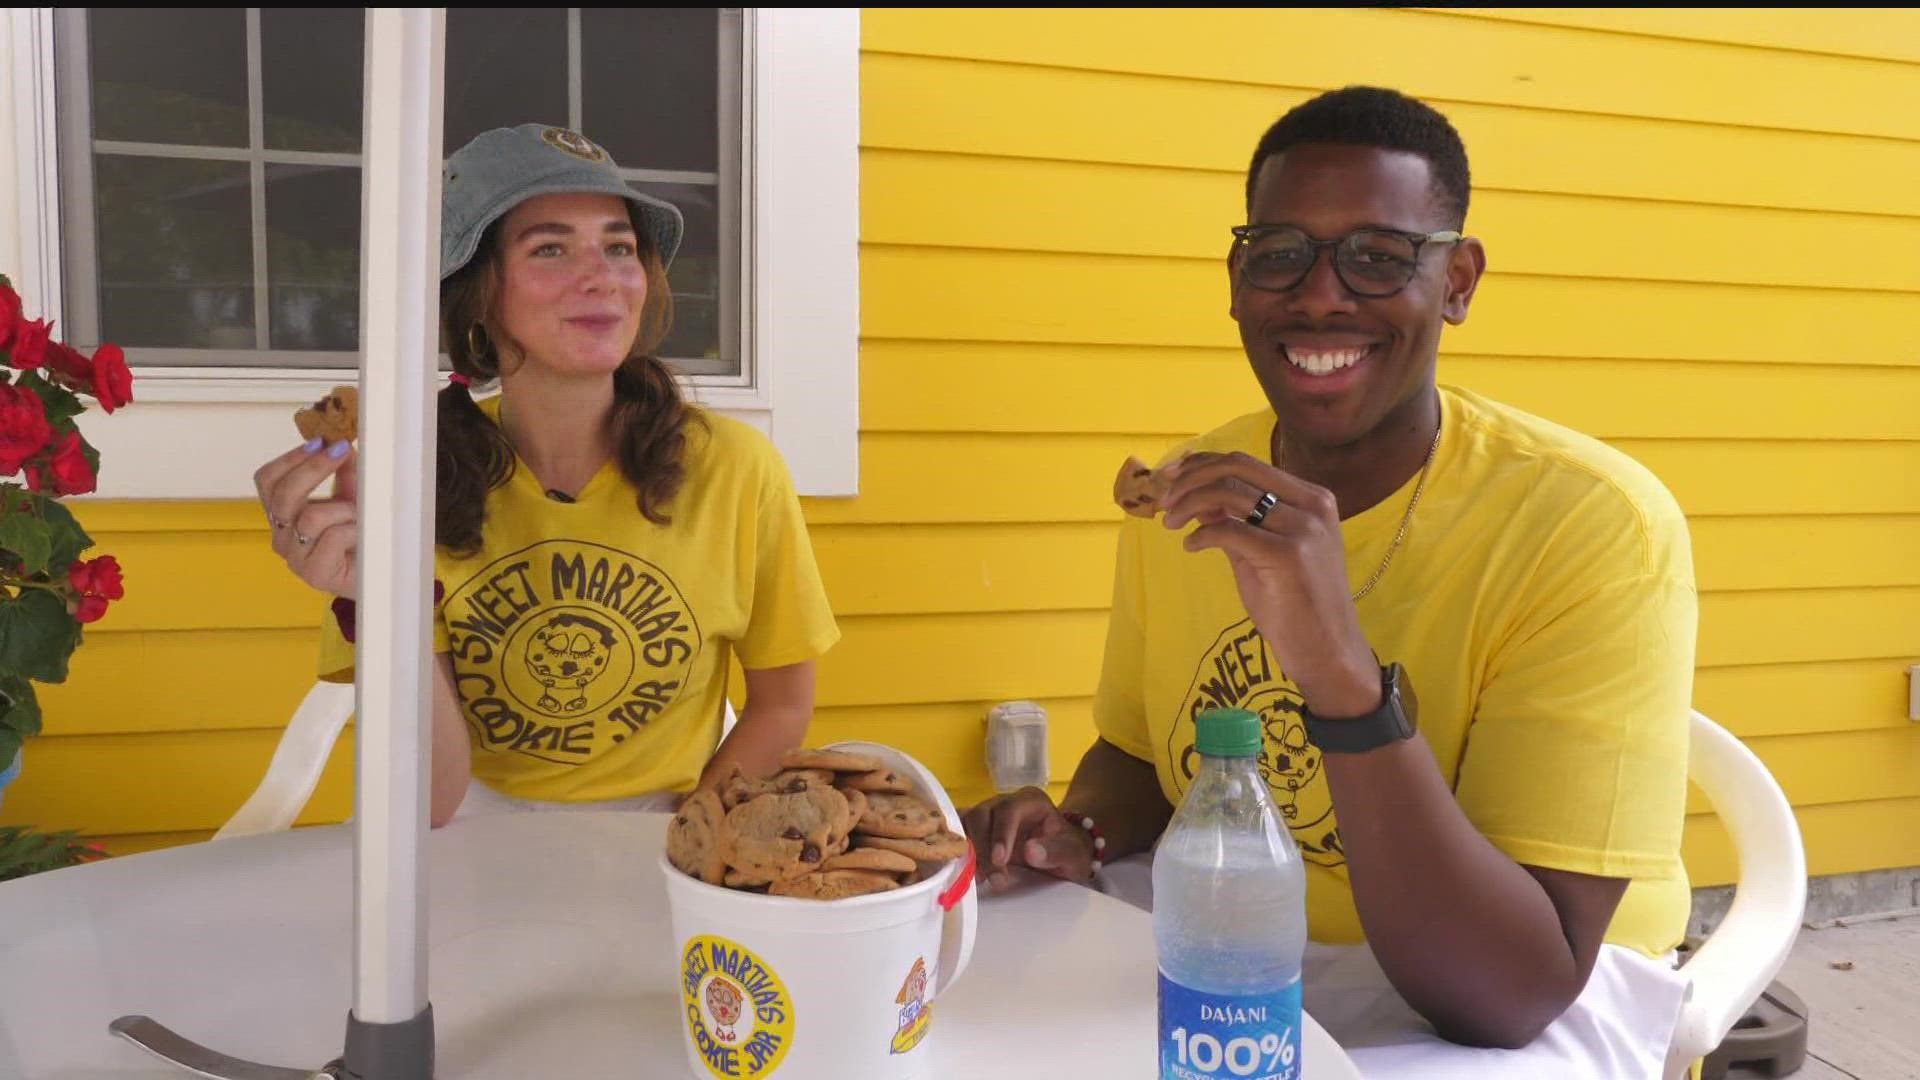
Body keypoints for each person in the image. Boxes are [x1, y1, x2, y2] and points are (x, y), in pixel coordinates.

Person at [963, 87, 1696, 1073]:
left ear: (1458, 281)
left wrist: (1339, 674)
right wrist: (1078, 830)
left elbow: (1510, 992)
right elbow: (1141, 758)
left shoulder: (1591, 525)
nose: (1319, 295)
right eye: (1281, 253)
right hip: (1235, 928)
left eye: (1378, 257)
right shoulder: (1194, 489)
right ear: (1237, 278)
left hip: (1517, 980)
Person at [253, 124, 839, 826]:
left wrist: (695, 838)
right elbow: (431, 797)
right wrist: (382, 603)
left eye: (619, 247)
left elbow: (781, 704)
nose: (602, 277)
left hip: (666, 826)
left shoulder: (736, 469)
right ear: (477, 294)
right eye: (551, 248)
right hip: (467, 829)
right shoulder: (403, 482)